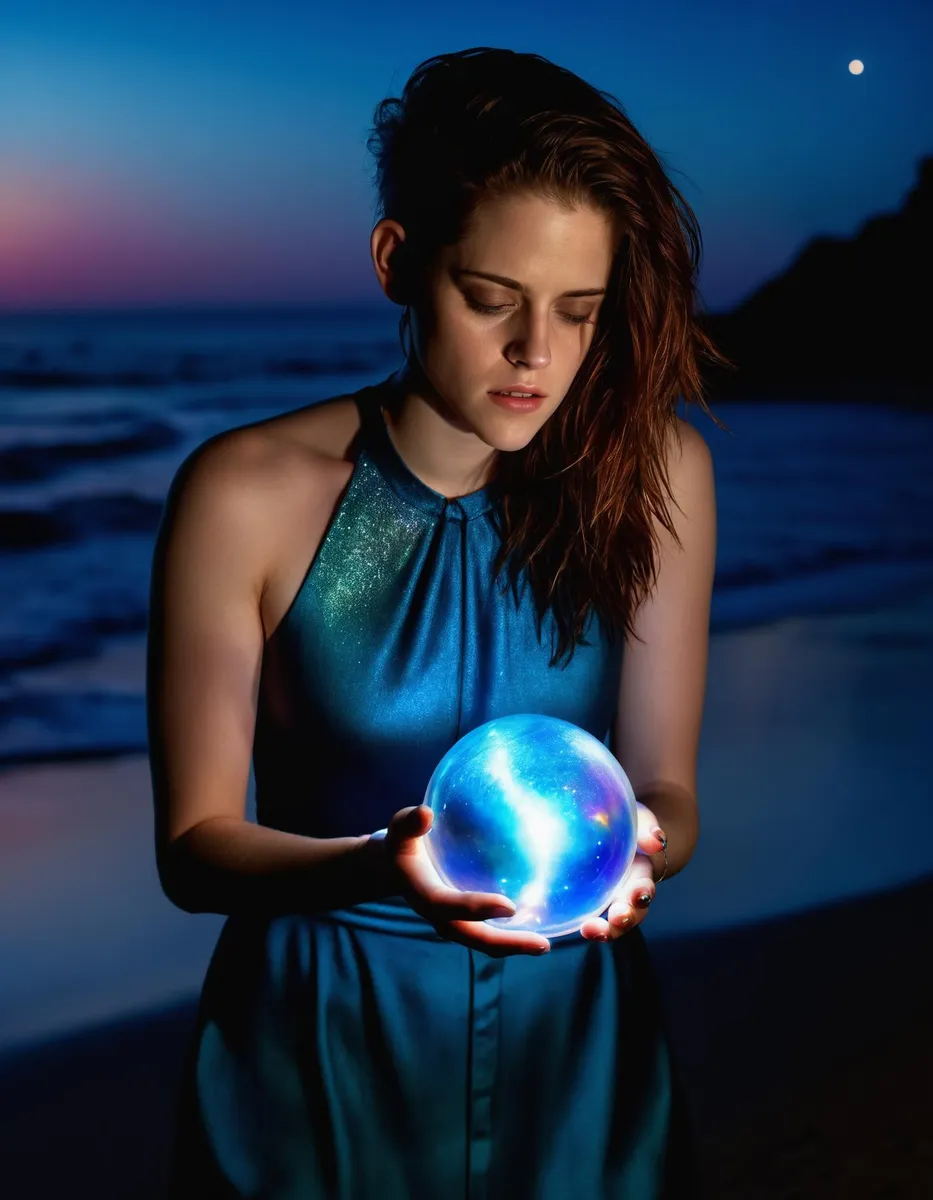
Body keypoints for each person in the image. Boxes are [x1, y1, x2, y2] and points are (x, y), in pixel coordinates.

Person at [147, 45, 726, 1199]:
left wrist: (637, 857)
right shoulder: (245, 492)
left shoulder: (654, 470)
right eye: (491, 299)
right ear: (398, 261)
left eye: (580, 311)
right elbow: (196, 850)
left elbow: (669, 789)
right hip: (319, 1033)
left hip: (575, 1036)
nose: (537, 356)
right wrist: (381, 866)